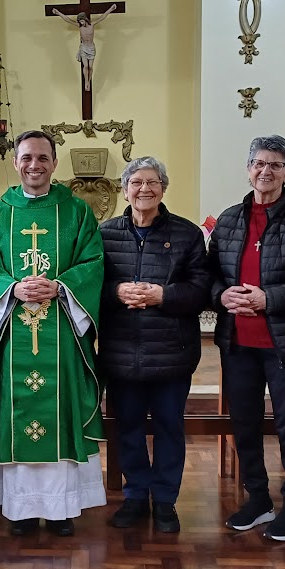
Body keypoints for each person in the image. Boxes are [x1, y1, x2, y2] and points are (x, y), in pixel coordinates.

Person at [0, 129, 106, 536]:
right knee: (16, 412)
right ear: (15, 162)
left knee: (59, 411)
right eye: (27, 157)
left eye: (43, 158)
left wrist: (61, 287)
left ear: (54, 163)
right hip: (11, 335)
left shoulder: (77, 212)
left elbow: (93, 262)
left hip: (61, 333)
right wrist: (12, 288)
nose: (34, 165)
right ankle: (22, 509)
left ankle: (61, 510)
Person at [210, 135, 285, 542]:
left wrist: (268, 298)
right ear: (248, 169)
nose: (266, 172)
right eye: (259, 163)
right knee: (244, 424)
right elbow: (210, 277)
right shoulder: (228, 220)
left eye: (276, 165)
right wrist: (220, 294)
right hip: (238, 343)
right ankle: (258, 499)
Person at [99, 157, 209, 534]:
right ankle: (135, 495)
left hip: (171, 353)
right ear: (124, 189)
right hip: (121, 351)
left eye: (152, 182)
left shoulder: (187, 234)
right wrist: (115, 291)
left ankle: (164, 500)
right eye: (136, 183)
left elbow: (201, 291)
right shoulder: (105, 233)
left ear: (164, 188)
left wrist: (162, 295)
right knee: (126, 427)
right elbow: (88, 287)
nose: (144, 189)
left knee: (168, 428)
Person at [50, 4, 117, 92]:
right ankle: (87, 82)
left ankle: (89, 80)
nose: (81, 23)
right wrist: (58, 13)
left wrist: (110, 9)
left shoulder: (92, 25)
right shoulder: (80, 27)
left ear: (85, 19)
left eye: (82, 21)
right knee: (85, 66)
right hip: (84, 48)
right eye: (80, 21)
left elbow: (102, 17)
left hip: (91, 48)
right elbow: (68, 20)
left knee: (90, 66)